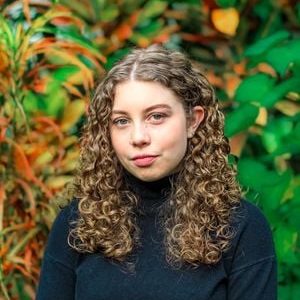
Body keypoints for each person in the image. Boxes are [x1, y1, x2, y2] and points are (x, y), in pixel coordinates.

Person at [36, 45, 277, 300]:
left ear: (193, 121)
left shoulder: (240, 228)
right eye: (121, 121)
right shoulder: (77, 224)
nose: (138, 137)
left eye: (156, 116)